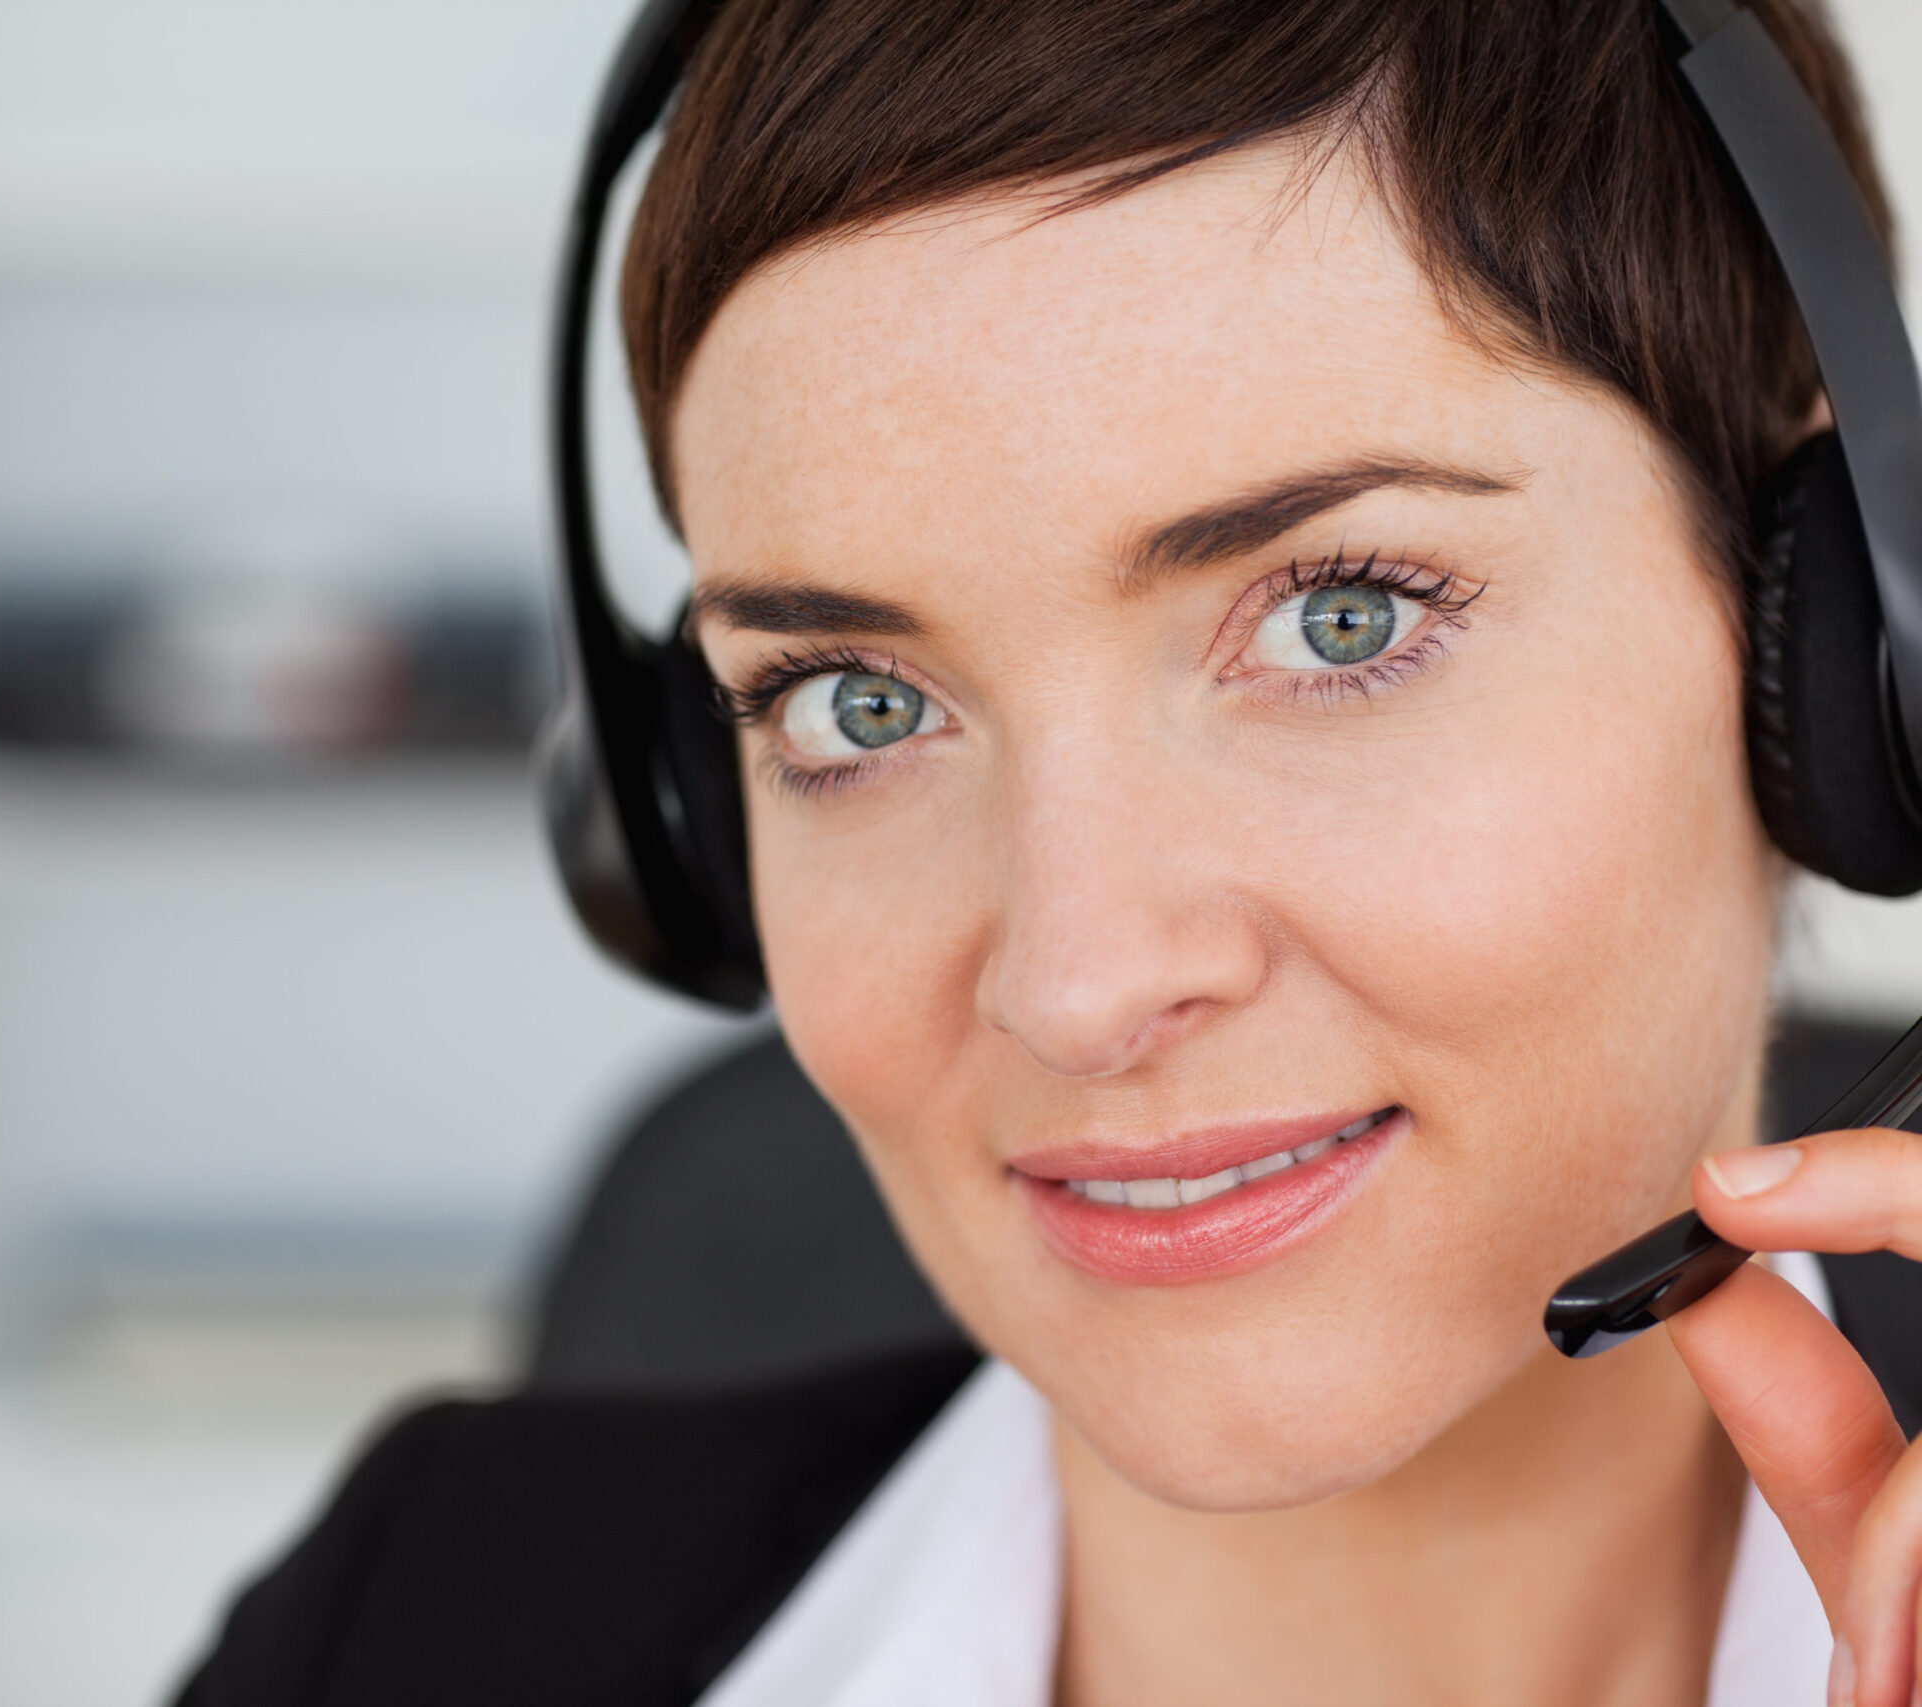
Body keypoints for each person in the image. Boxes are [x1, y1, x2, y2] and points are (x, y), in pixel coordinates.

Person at [178, 1, 1922, 1702]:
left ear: (1838, 664)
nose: (1080, 988)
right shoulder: (411, 1620)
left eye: (1334, 620)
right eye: (855, 704)